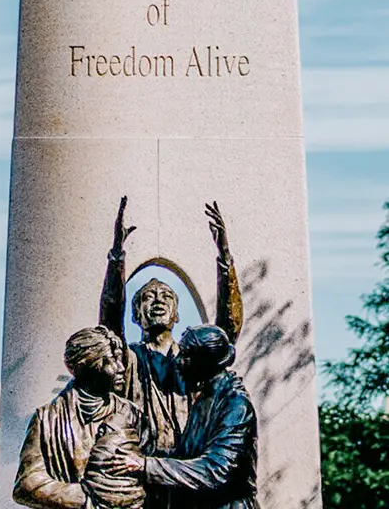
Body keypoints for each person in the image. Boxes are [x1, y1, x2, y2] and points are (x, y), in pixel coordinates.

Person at [99, 197, 244, 454]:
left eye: (166, 296)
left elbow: (227, 331)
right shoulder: (130, 358)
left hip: (189, 468)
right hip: (142, 466)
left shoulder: (193, 359)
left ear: (177, 315)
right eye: (148, 296)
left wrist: (225, 258)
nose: (158, 301)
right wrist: (116, 257)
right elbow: (109, 325)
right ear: (135, 315)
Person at [111, 325, 259, 509]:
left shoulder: (235, 405)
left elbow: (215, 469)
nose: (178, 361)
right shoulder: (206, 398)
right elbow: (187, 456)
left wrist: (146, 465)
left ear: (206, 362)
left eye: (186, 355)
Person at [13, 326, 147, 509]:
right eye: (110, 361)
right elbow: (26, 484)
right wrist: (91, 498)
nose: (120, 368)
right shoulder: (47, 419)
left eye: (119, 359)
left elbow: (149, 468)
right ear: (82, 367)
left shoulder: (131, 413)